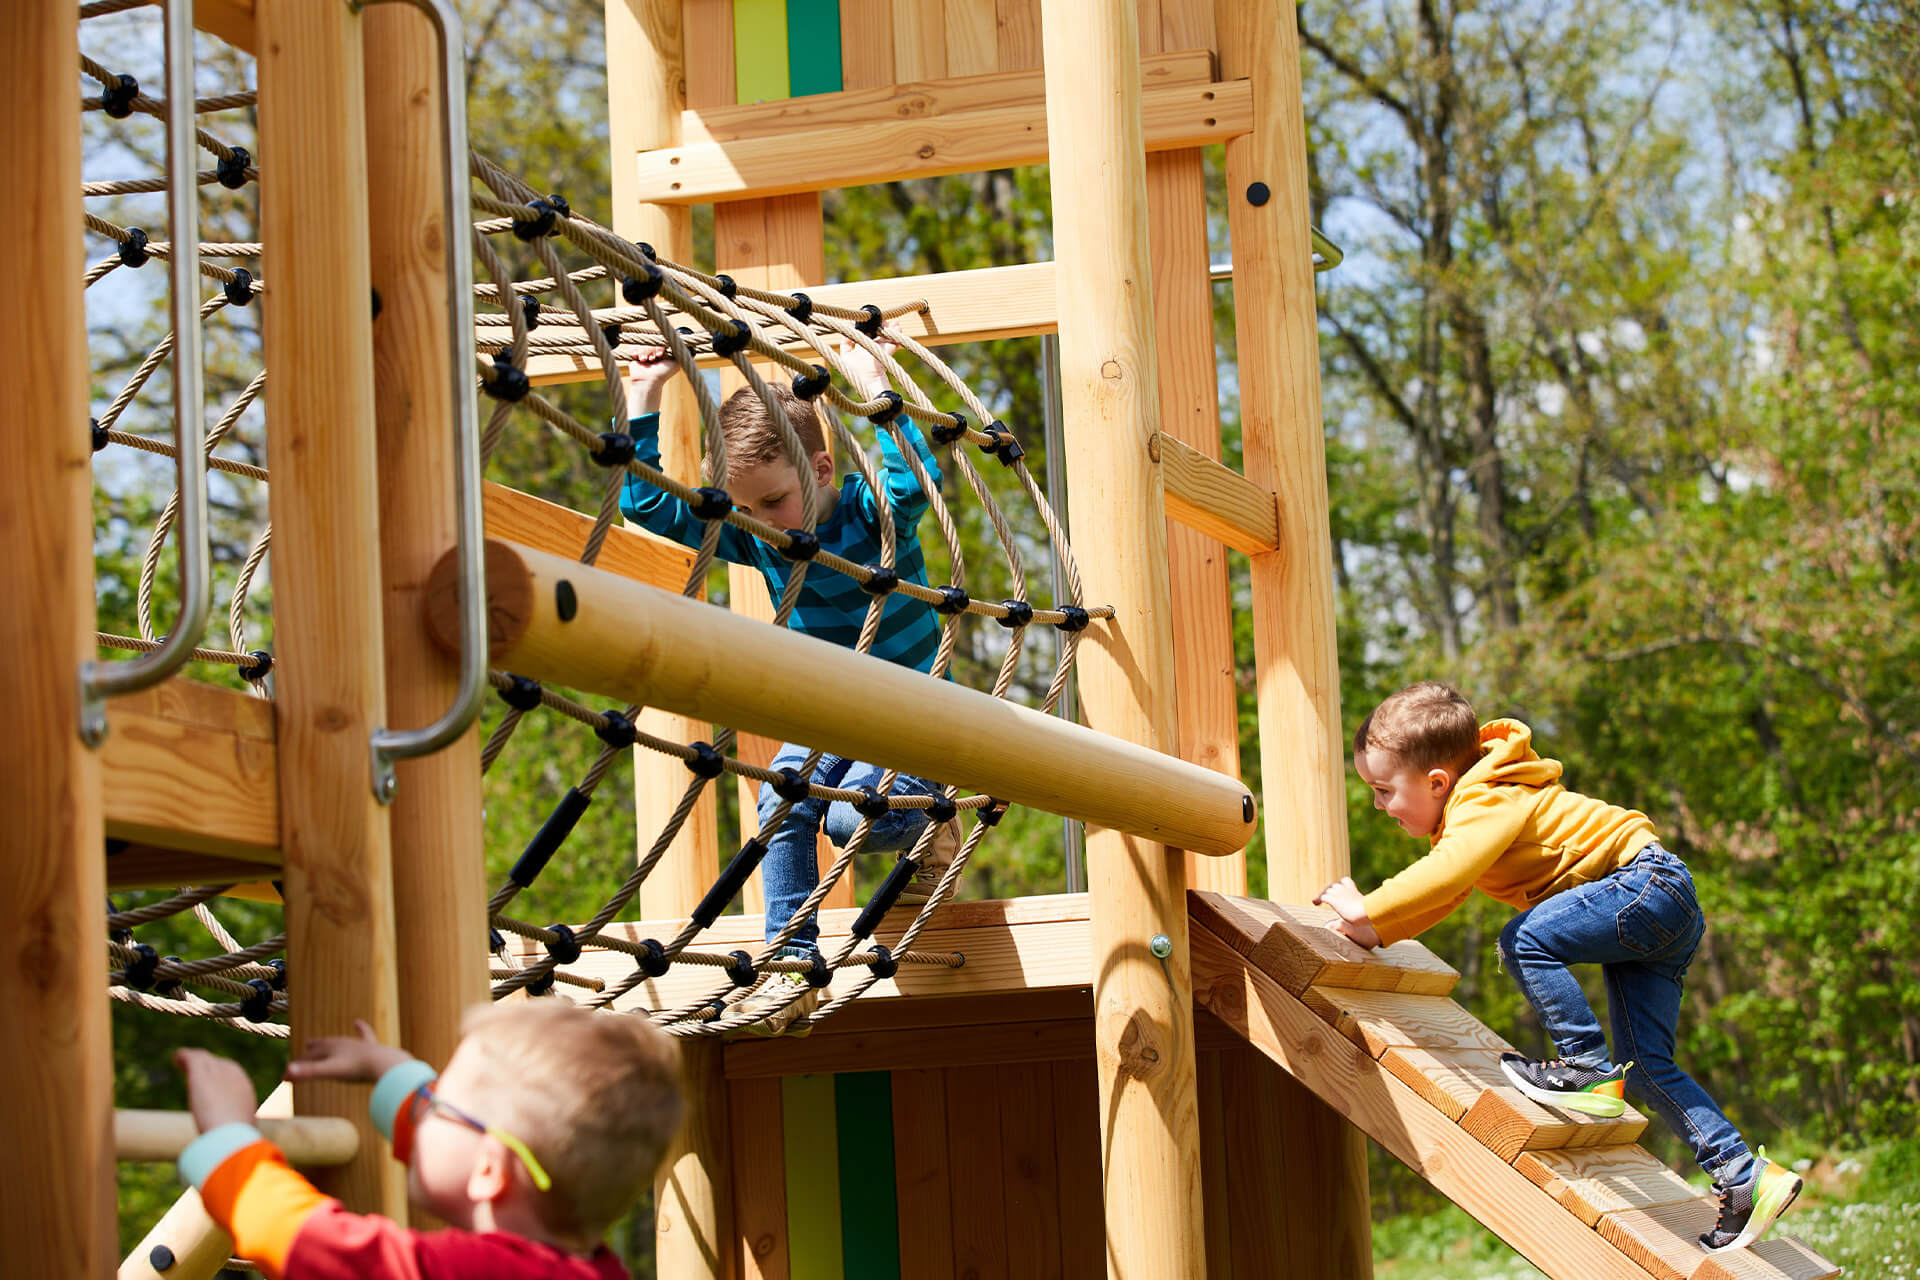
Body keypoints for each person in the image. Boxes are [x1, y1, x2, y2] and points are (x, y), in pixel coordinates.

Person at [1316, 681, 1801, 1255]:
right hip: (1659, 903)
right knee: (1646, 1066)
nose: (1378, 805)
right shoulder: (1478, 809)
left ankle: (1584, 1066)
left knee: (1524, 941)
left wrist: (1366, 906)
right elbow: (1449, 891)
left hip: (1642, 885)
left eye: (1382, 790)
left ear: (1436, 782)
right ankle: (1742, 1175)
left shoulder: (1484, 797)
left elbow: (1446, 875)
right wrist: (1378, 931)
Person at [620, 339, 961, 1036]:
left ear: (823, 469)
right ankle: (791, 964)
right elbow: (656, 512)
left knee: (847, 818)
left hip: (916, 716)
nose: (769, 522)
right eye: (753, 510)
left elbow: (913, 477)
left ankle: (934, 818)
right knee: (781, 802)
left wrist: (873, 383)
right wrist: (643, 397)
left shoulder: (870, 513)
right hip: (829, 714)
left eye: (776, 499)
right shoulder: (762, 535)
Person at [171, 1002, 683, 1279]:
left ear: (489, 1171)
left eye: (437, 1102)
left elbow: (321, 1249)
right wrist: (390, 1072)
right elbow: (462, 1140)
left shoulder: (479, 1274)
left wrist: (229, 1140)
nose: (426, 1105)